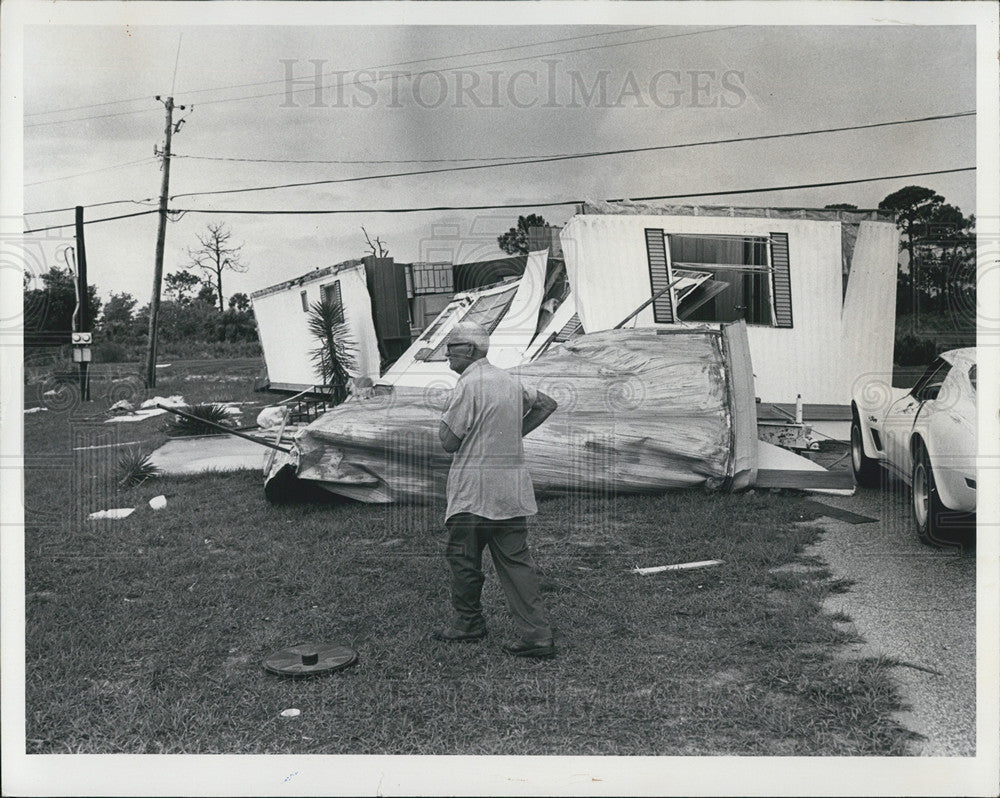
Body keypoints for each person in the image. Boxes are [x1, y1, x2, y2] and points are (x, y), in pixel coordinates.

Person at [434, 321, 558, 658]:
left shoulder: (468, 384)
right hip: (511, 491)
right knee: (517, 562)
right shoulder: (509, 381)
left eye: (452, 347)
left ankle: (468, 623)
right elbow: (547, 403)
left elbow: (448, 442)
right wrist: (512, 434)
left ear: (470, 350)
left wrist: (444, 418)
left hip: (474, 491)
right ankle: (537, 635)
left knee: (463, 559)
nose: (447, 354)